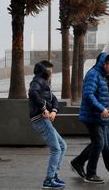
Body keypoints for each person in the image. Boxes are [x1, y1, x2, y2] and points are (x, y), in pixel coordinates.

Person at [70, 53, 109, 184]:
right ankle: (90, 173)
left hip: (101, 116)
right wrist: (101, 108)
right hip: (92, 116)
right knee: (99, 143)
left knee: (105, 144)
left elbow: (103, 94)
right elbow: (88, 95)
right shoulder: (93, 74)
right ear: (104, 64)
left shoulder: (103, 75)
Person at [29, 60, 67, 189]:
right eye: (50, 70)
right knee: (56, 149)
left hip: (45, 119)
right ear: (44, 71)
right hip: (40, 118)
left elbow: (54, 99)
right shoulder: (37, 81)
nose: (52, 72)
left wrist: (54, 111)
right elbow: (32, 93)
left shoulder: (44, 83)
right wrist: (44, 109)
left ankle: (54, 175)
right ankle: (49, 180)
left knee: (62, 146)